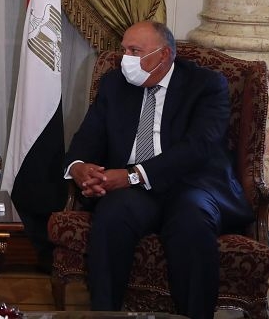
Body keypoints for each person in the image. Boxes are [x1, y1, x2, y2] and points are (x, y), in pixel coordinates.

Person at [64, 21, 253, 319]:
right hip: (133, 191)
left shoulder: (206, 85)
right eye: (124, 50)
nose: (125, 58)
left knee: (192, 222)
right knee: (111, 215)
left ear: (163, 55)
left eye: (134, 51)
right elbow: (88, 137)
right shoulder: (114, 84)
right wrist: (79, 168)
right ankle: (105, 314)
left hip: (191, 184)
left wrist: (132, 175)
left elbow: (199, 147)